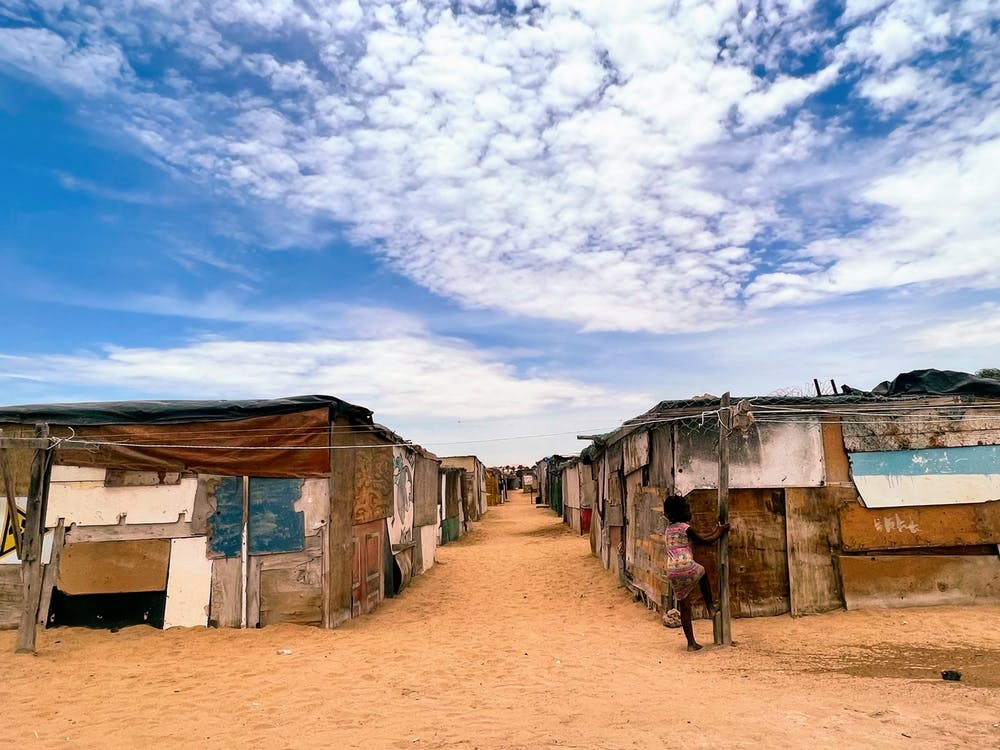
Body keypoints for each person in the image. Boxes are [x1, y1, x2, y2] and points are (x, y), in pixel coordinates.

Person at [663, 494, 729, 651]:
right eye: (688, 510)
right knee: (703, 573)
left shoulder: (669, 530)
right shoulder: (685, 528)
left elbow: (703, 538)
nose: (690, 512)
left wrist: (715, 531)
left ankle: (691, 643)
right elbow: (705, 541)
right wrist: (720, 531)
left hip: (672, 571)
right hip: (686, 565)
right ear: (682, 513)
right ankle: (710, 606)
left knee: (684, 607)